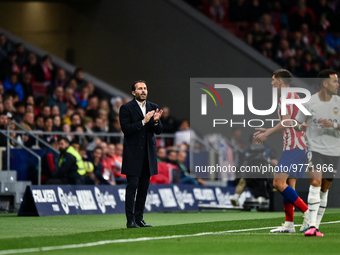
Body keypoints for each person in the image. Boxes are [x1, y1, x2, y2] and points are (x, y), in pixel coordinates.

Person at [254, 69, 309, 233]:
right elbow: (297, 124)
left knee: (278, 183)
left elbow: (285, 122)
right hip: (299, 145)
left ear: (279, 81)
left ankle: (308, 213)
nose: (271, 82)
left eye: (273, 79)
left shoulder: (285, 97)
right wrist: (270, 129)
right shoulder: (295, 96)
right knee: (288, 185)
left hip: (293, 146)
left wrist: (266, 134)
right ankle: (289, 224)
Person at [295, 69, 340, 237]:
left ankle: (315, 225)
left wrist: (332, 125)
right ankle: (312, 225)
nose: (338, 84)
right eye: (335, 81)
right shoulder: (310, 103)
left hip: (334, 150)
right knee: (315, 181)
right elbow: (297, 124)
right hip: (314, 149)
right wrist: (302, 126)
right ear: (325, 83)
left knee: (325, 188)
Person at [119, 80, 163, 228]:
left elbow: (158, 131)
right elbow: (126, 129)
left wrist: (156, 122)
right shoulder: (126, 108)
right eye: (140, 88)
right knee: (132, 187)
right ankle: (130, 220)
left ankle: (139, 219)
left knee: (143, 189)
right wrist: (143, 121)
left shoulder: (153, 107)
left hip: (148, 154)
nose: (143, 91)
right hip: (133, 153)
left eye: (145, 88)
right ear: (134, 92)